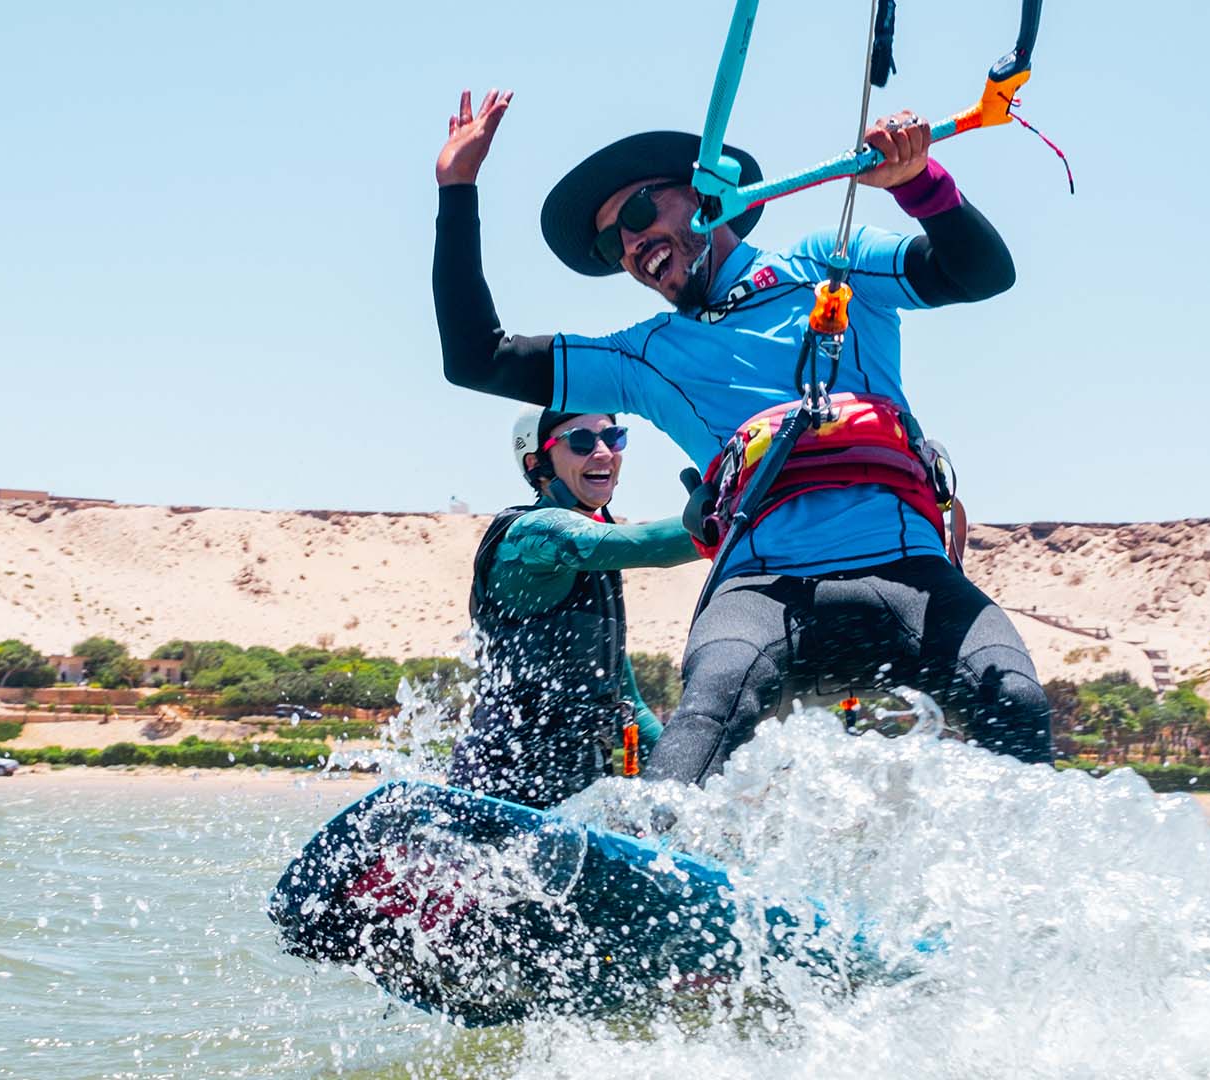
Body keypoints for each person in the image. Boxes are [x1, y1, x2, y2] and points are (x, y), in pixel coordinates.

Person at [433, 89, 1052, 788]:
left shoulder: (829, 262)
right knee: (702, 723)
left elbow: (979, 274)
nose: (632, 245)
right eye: (614, 243)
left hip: (909, 570)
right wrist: (458, 190)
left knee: (1018, 702)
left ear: (706, 196)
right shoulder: (646, 355)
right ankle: (652, 880)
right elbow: (475, 359)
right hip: (765, 592)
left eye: (639, 212)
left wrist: (918, 183)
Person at [450, 407, 700, 808]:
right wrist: (727, 517)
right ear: (537, 464)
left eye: (614, 438)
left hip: (577, 795)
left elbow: (629, 706)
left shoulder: (598, 563)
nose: (603, 452)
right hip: (500, 790)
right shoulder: (534, 536)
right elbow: (645, 543)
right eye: (582, 442)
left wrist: (692, 781)